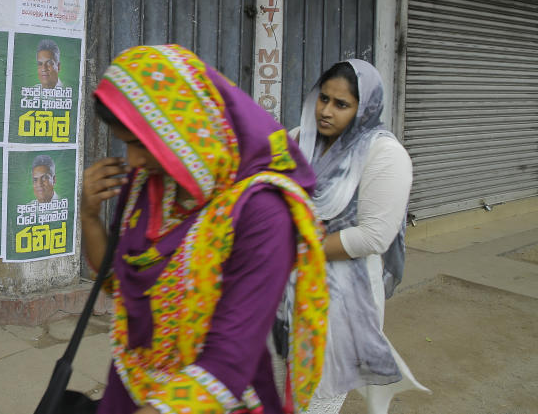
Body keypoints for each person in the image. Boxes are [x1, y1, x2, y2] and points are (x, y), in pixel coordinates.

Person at [82, 44, 328, 414]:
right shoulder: (147, 182)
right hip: (131, 383)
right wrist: (88, 216)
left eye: (140, 143)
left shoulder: (263, 213)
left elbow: (228, 361)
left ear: (183, 126)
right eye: (126, 143)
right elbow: (117, 284)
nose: (131, 158)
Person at [289, 60, 429, 414]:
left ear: (364, 108)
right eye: (323, 98)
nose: (325, 111)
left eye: (341, 104)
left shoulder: (384, 154)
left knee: (316, 399)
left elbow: (372, 237)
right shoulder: (296, 140)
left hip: (341, 303)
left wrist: (297, 248)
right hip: (284, 292)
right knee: (278, 390)